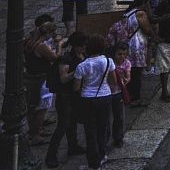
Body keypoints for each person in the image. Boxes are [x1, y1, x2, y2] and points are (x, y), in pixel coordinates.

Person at [73, 34, 116, 170]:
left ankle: (93, 163)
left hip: (88, 99)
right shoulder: (109, 61)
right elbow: (113, 82)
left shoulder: (82, 66)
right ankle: (103, 155)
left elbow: (76, 87)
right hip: (105, 96)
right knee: (102, 128)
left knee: (90, 131)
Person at [45, 31, 87, 167]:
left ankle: (73, 146)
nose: (84, 48)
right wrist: (78, 71)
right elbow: (63, 79)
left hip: (76, 95)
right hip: (65, 96)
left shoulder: (83, 55)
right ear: (75, 46)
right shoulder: (66, 58)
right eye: (82, 46)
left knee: (73, 121)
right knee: (63, 125)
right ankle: (51, 155)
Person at [108, 0, 154, 107]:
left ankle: (127, 96)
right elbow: (147, 29)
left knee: (128, 71)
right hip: (136, 47)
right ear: (145, 3)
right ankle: (135, 98)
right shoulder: (140, 14)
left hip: (126, 46)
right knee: (137, 73)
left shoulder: (128, 13)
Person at [23, 14, 60, 145]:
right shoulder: (41, 46)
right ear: (48, 33)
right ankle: (37, 133)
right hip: (42, 79)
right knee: (42, 107)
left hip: (31, 76)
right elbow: (55, 57)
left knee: (32, 107)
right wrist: (59, 45)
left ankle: (34, 131)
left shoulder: (28, 42)